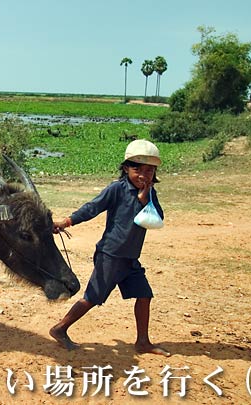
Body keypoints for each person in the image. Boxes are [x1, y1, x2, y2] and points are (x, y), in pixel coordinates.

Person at [49, 139, 170, 357]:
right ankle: (60, 328)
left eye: (150, 170)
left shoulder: (150, 194)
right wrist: (65, 222)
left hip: (130, 259)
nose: (143, 175)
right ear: (126, 168)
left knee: (144, 295)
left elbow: (158, 219)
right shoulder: (117, 189)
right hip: (111, 256)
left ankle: (143, 342)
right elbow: (92, 208)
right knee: (92, 297)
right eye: (137, 169)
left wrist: (145, 201)